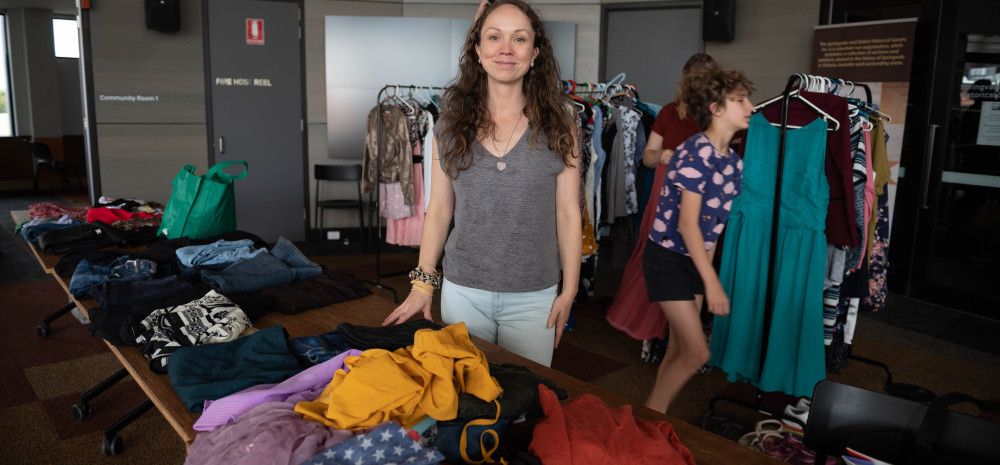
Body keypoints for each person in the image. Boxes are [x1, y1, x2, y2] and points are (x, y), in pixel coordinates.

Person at [382, 0, 582, 368]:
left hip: (534, 295)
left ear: (535, 52)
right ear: (477, 50)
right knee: (466, 402)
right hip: (463, 292)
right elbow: (440, 209)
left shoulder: (562, 121)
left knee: (524, 402)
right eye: (494, 37)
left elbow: (569, 212)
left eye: (519, 39)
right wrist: (422, 284)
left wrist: (569, 290)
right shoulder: (450, 123)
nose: (506, 49)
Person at [643, 65, 754, 413]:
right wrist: (713, 284)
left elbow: (714, 227)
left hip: (693, 261)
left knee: (679, 350)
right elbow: (688, 225)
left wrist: (705, 271)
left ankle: (651, 420)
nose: (750, 107)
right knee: (697, 352)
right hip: (668, 259)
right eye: (740, 100)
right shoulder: (696, 151)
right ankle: (648, 421)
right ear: (716, 108)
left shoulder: (733, 162)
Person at [606, 54, 719, 343]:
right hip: (666, 198)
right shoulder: (670, 112)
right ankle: (655, 333)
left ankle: (684, 337)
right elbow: (647, 157)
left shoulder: (719, 115)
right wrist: (663, 155)